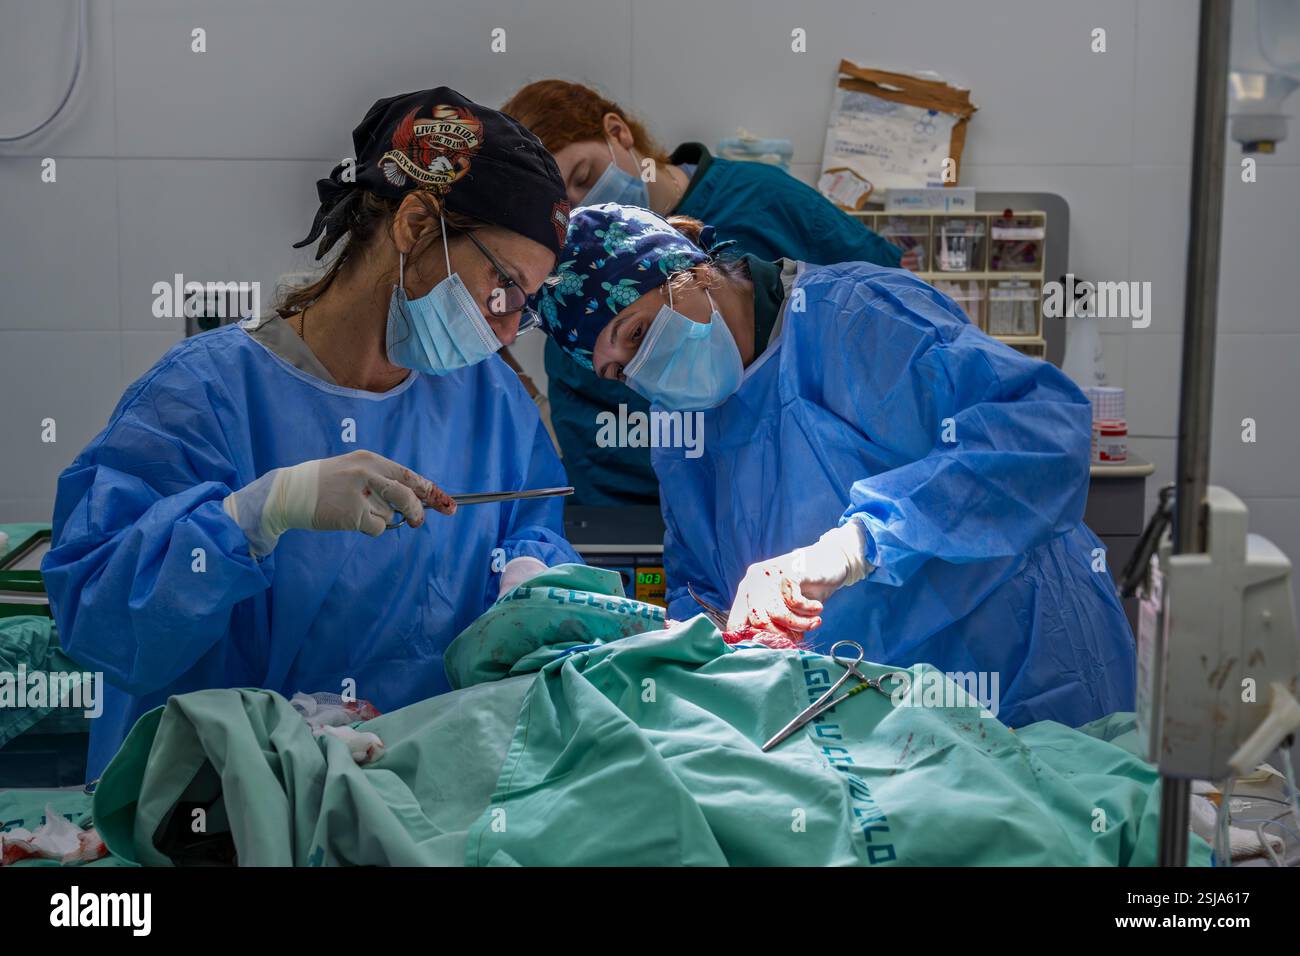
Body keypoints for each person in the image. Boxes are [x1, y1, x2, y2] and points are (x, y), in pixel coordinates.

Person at [43, 89, 581, 780]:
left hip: (411, 798)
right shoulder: (202, 397)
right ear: (417, 223)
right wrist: (254, 515)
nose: (508, 328)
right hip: (221, 805)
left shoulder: (491, 401)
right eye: (501, 286)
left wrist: (530, 576)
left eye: (526, 306)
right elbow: (100, 623)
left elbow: (532, 525)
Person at [534, 204, 1136, 728]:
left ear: (685, 270)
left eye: (636, 333)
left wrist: (855, 544)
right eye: (616, 370)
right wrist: (699, 646)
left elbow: (1042, 431)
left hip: (1016, 673)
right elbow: (706, 590)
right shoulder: (686, 438)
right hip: (872, 726)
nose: (638, 369)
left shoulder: (854, 317)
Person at [501, 80, 910, 506]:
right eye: (565, 213)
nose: (584, 204)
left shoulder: (762, 203)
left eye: (583, 177)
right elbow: (605, 478)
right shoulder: (574, 323)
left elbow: (892, 319)